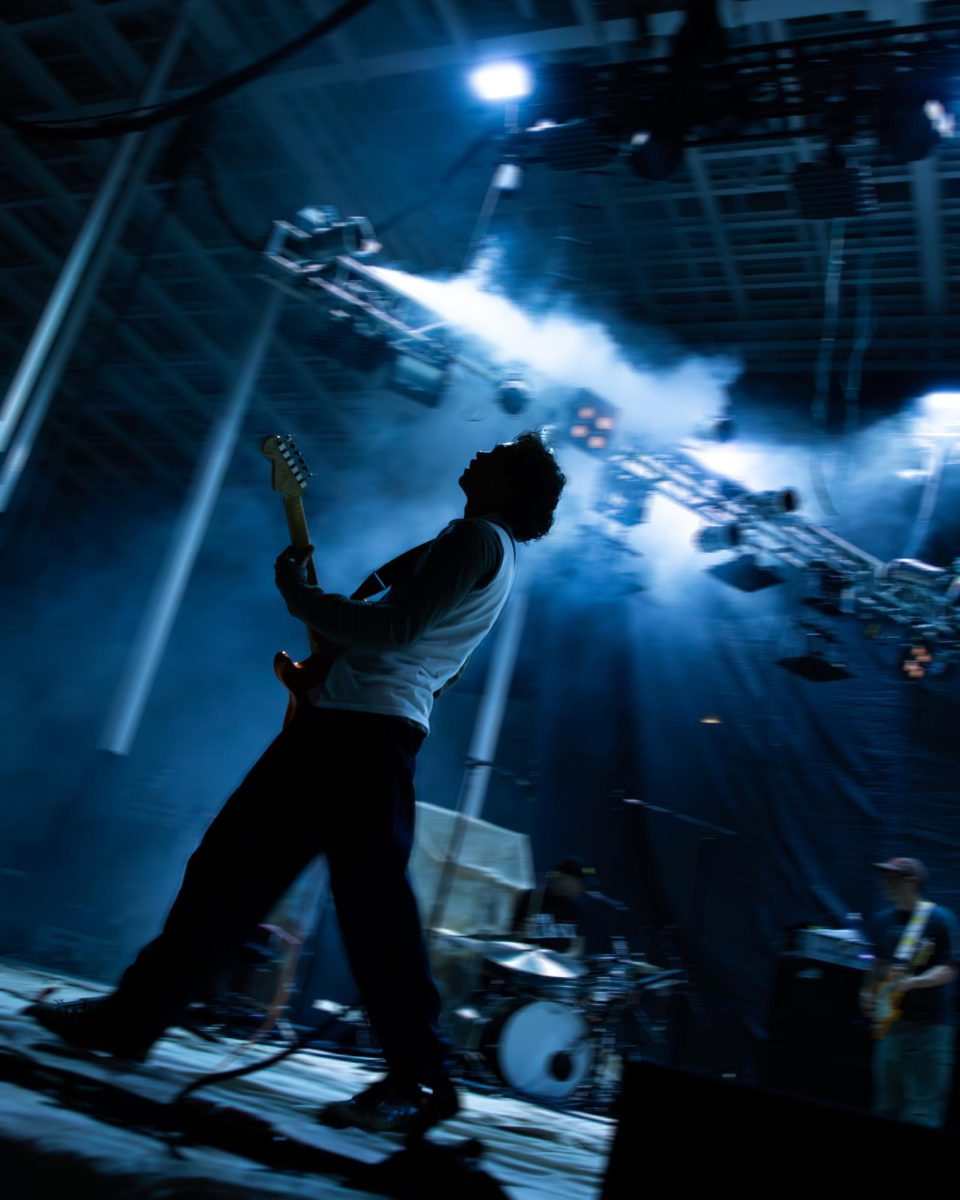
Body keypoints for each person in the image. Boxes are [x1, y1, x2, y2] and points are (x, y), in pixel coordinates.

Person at [26, 431, 566, 1137]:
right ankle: (133, 1017)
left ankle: (423, 1078)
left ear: (510, 481)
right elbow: (440, 662)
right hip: (346, 725)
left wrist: (301, 599)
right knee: (228, 875)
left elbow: (398, 626)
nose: (478, 454)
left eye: (496, 453)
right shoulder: (485, 551)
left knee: (364, 909)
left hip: (363, 736)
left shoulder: (474, 537)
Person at [859, 856, 959, 1128]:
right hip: (891, 1027)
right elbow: (877, 963)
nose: (884, 883)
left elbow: (951, 968)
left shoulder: (939, 919)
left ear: (911, 882)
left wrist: (915, 982)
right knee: (886, 1105)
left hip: (929, 1030)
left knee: (921, 1111)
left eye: (891, 877)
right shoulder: (882, 920)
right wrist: (867, 991)